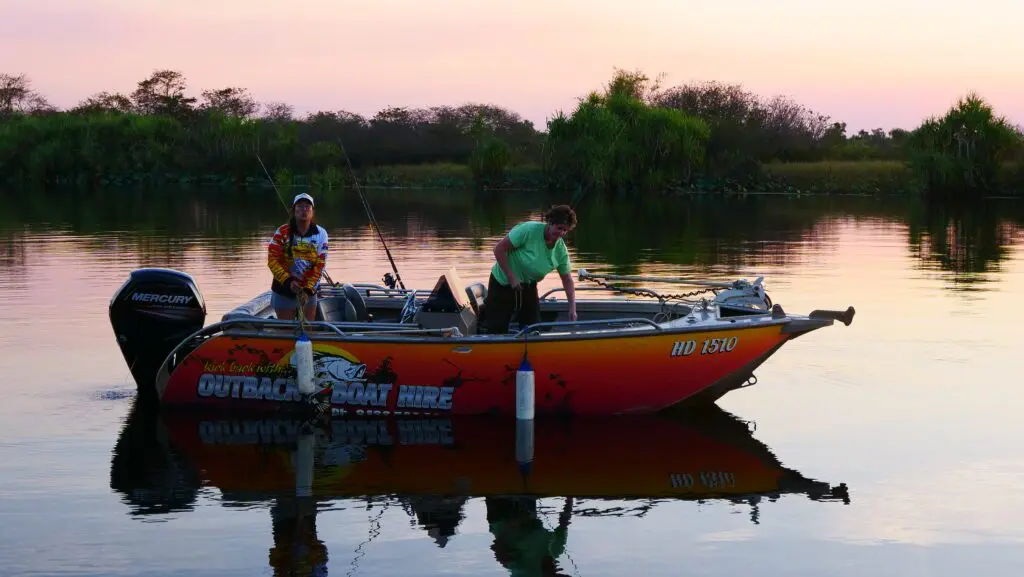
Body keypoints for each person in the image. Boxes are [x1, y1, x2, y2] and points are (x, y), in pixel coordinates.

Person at [483, 204, 577, 334]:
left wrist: (572, 307)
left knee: (533, 328)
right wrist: (511, 277)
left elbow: (567, 279)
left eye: (565, 230)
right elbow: (498, 249)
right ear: (550, 222)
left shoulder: (561, 250)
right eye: (559, 228)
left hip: (528, 287)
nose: (561, 233)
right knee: (497, 327)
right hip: (502, 283)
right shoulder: (528, 230)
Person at [268, 193, 329, 321]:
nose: (304, 210)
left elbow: (320, 264)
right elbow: (272, 261)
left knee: (308, 329)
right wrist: (288, 282)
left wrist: (307, 290)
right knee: (286, 331)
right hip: (283, 288)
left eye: (307, 207)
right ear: (293, 210)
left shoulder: (321, 233)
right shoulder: (282, 232)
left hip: (308, 289)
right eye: (300, 207)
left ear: (312, 211)